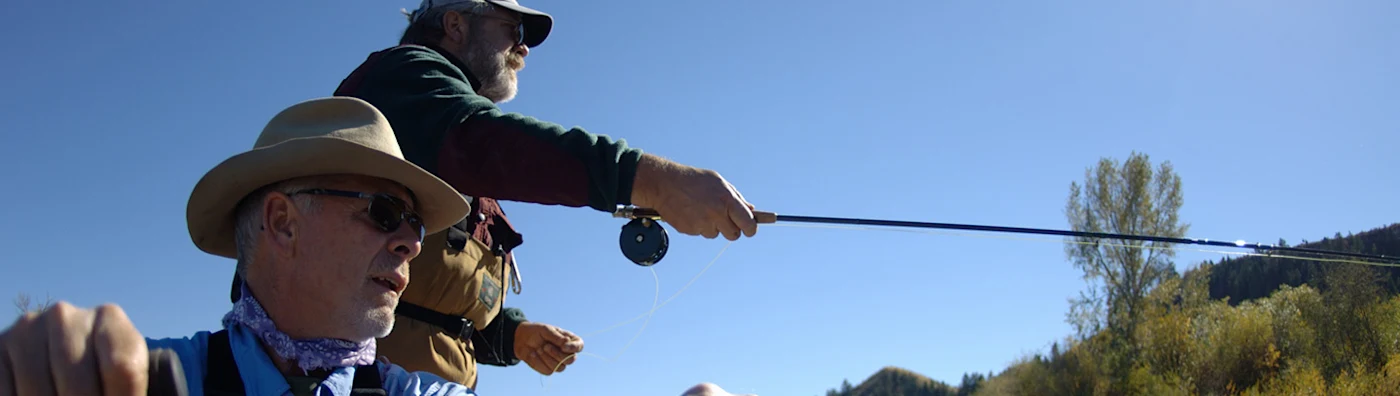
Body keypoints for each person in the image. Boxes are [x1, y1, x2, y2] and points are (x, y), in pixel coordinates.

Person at [324, 0, 762, 392]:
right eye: (513, 30)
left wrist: (515, 335)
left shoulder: (455, 154)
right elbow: (482, 142)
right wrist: (655, 182)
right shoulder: (404, 79)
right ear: (455, 24)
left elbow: (436, 311)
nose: (524, 49)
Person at [0, 96, 484, 395]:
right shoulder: (142, 381)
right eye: (385, 213)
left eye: (416, 225)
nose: (411, 245)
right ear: (282, 222)